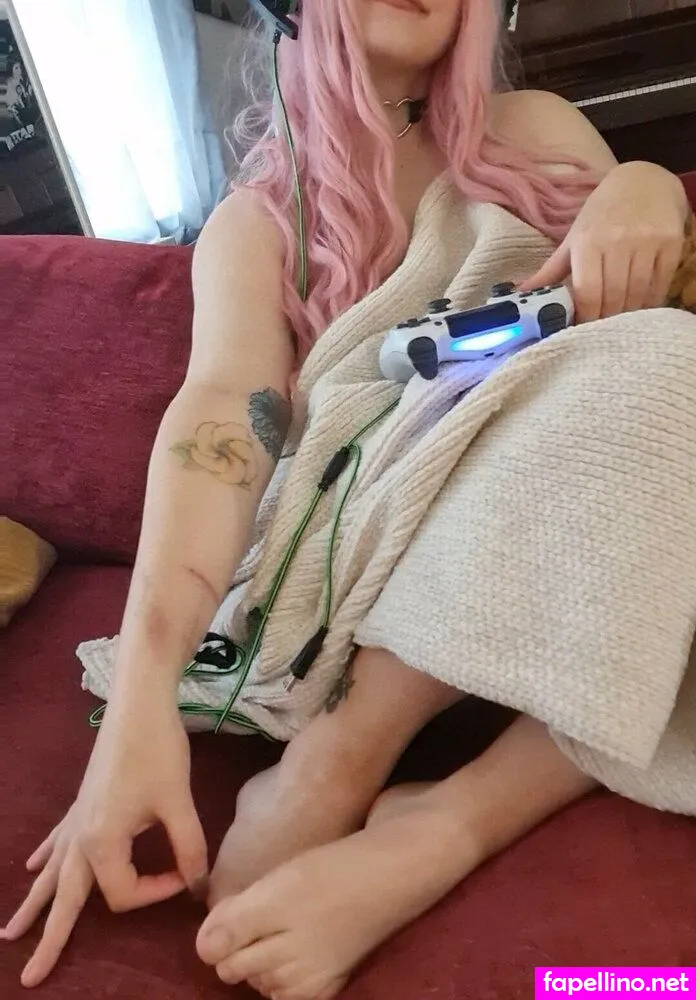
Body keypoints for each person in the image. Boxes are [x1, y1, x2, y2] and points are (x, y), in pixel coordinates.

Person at [2, 0, 690, 997]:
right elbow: (222, 430)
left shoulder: (538, 131)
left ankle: (444, 822)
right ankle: (344, 755)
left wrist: (641, 191)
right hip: (387, 550)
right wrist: (139, 708)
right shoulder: (256, 226)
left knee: (665, 379)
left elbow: (640, 356)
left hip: (587, 535)